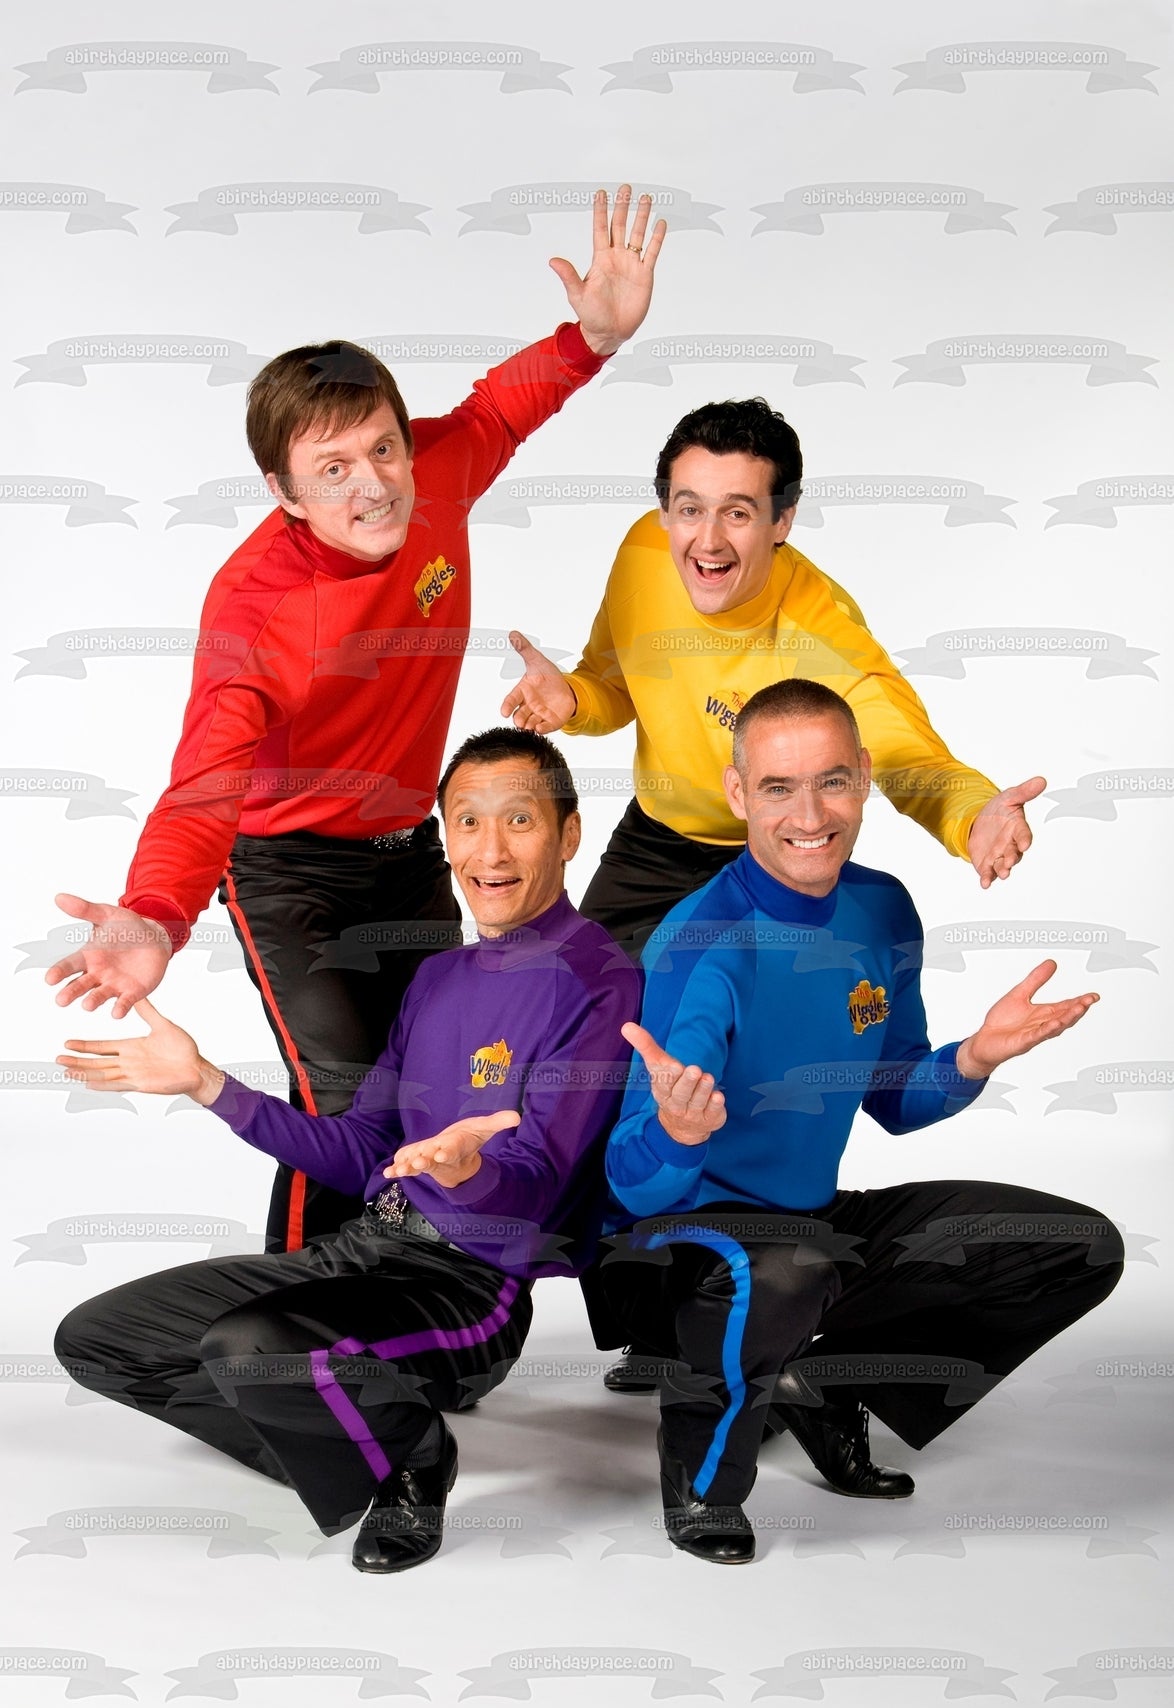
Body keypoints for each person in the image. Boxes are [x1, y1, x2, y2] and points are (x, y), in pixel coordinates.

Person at [46, 186, 666, 1256]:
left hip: (410, 851)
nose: (372, 486)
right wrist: (155, 914)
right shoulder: (257, 612)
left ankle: (417, 1296)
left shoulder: (432, 479)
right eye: (332, 471)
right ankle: (297, 1303)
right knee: (341, 1101)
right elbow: (204, 786)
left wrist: (590, 339)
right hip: (291, 874)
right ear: (285, 492)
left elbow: (496, 412)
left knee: (425, 1094)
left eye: (383, 449)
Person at [500, 396, 1048, 1392]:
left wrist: (972, 815)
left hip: (772, 862)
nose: (706, 539)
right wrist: (571, 701)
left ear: (783, 520)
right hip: (655, 842)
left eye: (739, 512)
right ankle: (627, 1307)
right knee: (582, 1065)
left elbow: (906, 752)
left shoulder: (822, 629)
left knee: (727, 1078)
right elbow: (616, 681)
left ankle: (723, 1306)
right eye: (688, 507)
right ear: (664, 507)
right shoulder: (643, 554)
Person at [54, 730, 641, 1574]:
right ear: (446, 838)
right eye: (468, 822)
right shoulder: (440, 977)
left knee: (251, 1347)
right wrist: (209, 1084)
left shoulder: (597, 979)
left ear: (568, 834)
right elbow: (361, 1148)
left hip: (468, 1289)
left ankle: (416, 1457)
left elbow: (540, 1192)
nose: (491, 850)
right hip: (366, 1247)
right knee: (100, 1339)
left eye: (519, 820)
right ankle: (341, 1442)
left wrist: (468, 1170)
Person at [600, 679, 1122, 1565]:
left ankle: (822, 1384)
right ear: (738, 794)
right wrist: (679, 1132)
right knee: (786, 1268)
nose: (811, 814)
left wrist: (972, 1057)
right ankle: (701, 1478)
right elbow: (630, 1181)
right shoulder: (704, 940)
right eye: (778, 787)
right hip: (681, 1237)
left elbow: (892, 1095)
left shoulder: (881, 908)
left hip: (809, 1219)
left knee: (1078, 1245)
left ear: (866, 777)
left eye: (833, 781)